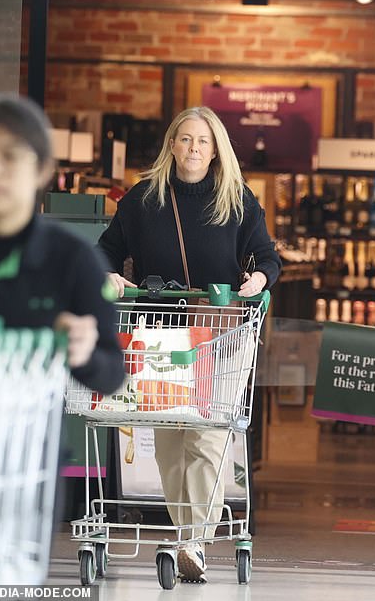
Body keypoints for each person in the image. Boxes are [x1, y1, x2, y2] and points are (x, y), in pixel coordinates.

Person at [98, 105, 281, 582]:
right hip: (162, 331)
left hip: (221, 332)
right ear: (172, 145)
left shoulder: (236, 200)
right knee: (169, 440)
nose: (194, 148)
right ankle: (187, 538)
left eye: (203, 140)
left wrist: (259, 277)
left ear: (216, 148)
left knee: (206, 434)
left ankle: (195, 540)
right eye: (185, 139)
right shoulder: (144, 200)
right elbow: (107, 248)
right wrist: (110, 275)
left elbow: (266, 256)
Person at [0, 95, 124, 395]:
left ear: (43, 169)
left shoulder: (73, 258)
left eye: (10, 156)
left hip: (35, 439)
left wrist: (84, 353)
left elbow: (113, 375)